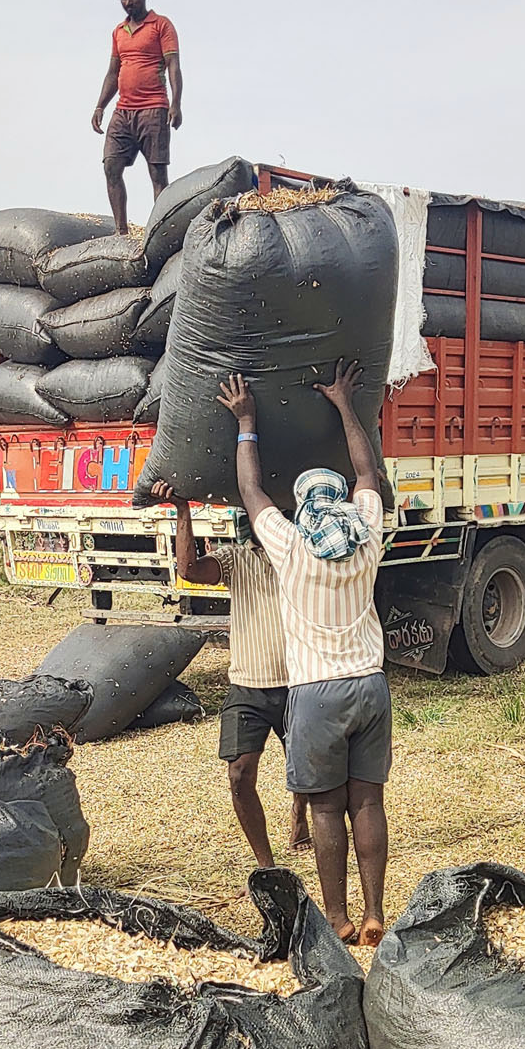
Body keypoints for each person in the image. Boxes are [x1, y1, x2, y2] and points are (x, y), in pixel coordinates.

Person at [222, 360, 391, 944]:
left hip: (317, 692)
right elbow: (368, 470)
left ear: (302, 509)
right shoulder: (367, 533)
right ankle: (374, 913)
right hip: (370, 684)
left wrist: (246, 420)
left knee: (324, 811)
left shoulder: (292, 547)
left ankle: (339, 919)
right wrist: (345, 403)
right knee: (367, 801)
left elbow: (250, 489)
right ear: (342, 501)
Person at [149, 478, 310, 871]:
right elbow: (188, 570)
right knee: (239, 775)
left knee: (307, 772)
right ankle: (266, 865)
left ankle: (300, 813)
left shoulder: (302, 555)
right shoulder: (238, 559)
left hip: (300, 684)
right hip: (248, 687)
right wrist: (182, 513)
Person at [89, 0, 181, 235]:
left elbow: (173, 65)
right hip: (124, 110)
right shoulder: (118, 32)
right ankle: (121, 232)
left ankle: (161, 233)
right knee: (111, 166)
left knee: (157, 175)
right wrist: (100, 106)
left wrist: (176, 103)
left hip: (154, 108)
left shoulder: (161, 25)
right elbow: (113, 72)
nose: (129, 3)